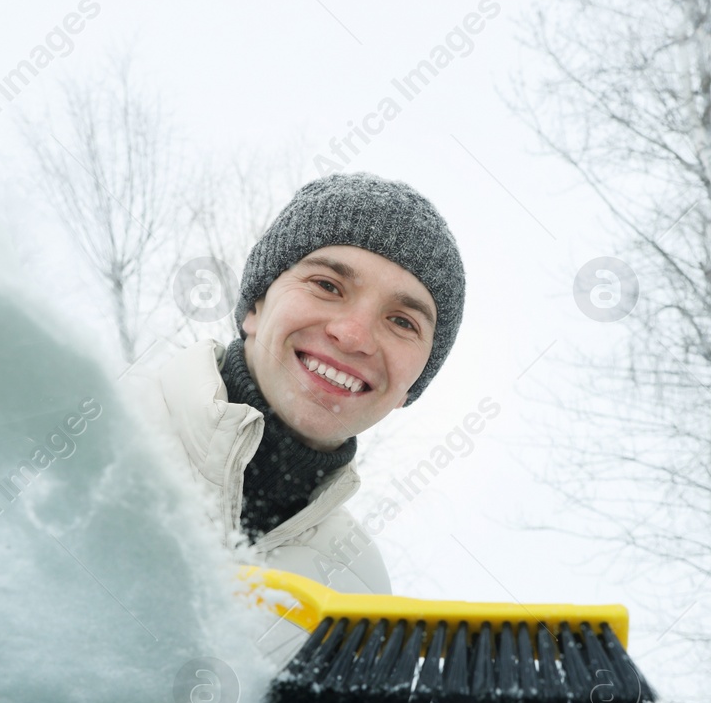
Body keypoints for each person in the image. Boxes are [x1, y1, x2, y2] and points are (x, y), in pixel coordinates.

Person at [128, 171, 466, 599]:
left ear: (410, 389)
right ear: (255, 305)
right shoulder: (90, 423)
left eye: (402, 321)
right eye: (327, 285)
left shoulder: (359, 585)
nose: (354, 335)